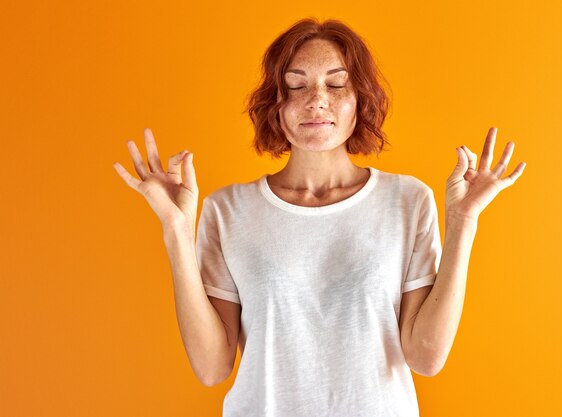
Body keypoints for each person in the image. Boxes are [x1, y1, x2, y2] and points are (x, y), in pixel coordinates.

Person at [113, 17, 525, 417]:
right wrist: (176, 230)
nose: (316, 99)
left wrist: (464, 221)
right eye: (296, 84)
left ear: (360, 98)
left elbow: (426, 357)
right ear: (275, 103)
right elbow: (211, 367)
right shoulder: (227, 210)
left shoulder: (407, 200)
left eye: (336, 83)